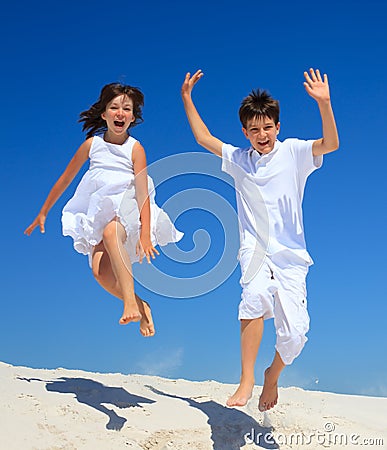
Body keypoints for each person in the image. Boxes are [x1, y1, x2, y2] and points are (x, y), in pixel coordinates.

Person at [181, 68, 339, 411]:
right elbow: (203, 138)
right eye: (254, 129)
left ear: (277, 127)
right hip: (254, 247)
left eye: (267, 127)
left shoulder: (295, 152)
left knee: (295, 335)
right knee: (252, 296)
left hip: (291, 255)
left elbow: (331, 144)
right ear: (245, 132)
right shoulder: (239, 159)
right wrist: (187, 99)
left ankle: (272, 375)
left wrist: (324, 104)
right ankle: (247, 377)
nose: (262, 134)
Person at [25, 83, 183, 335]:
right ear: (104, 113)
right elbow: (65, 179)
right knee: (100, 272)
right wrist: (44, 211)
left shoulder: (135, 148)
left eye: (127, 109)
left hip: (128, 208)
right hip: (101, 210)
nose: (120, 113)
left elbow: (143, 192)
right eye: (114, 107)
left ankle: (130, 303)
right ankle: (142, 305)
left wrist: (144, 233)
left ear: (133, 117)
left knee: (112, 232)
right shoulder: (92, 146)